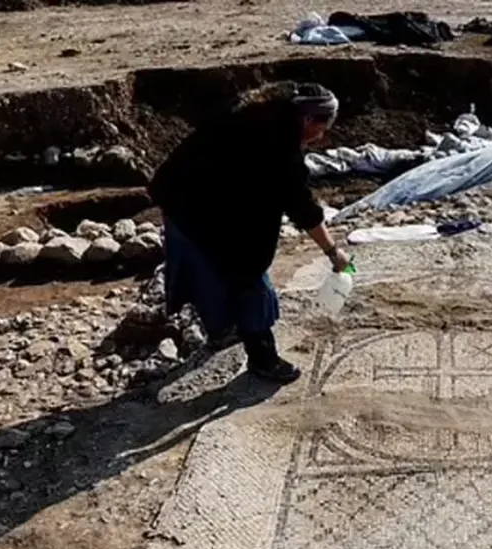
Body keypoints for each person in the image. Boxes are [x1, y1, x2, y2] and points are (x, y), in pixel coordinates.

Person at [148, 81, 350, 384]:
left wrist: (167, 199)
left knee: (209, 276)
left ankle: (222, 331)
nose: (321, 135)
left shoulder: (249, 115)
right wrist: (333, 252)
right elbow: (301, 207)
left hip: (185, 203)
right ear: (308, 119)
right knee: (251, 282)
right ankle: (263, 359)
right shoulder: (278, 147)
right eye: (322, 127)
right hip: (206, 213)